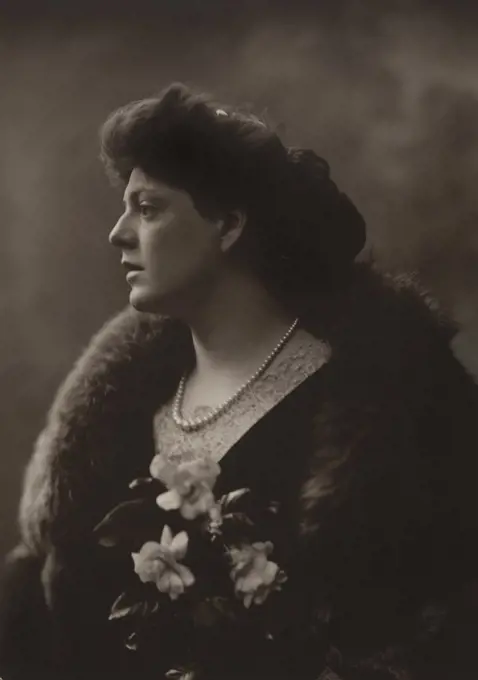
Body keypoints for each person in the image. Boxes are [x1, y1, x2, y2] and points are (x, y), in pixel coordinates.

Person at [0, 82, 477, 680]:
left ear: (227, 225)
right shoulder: (116, 417)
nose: (118, 233)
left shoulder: (385, 412)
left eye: (148, 208)